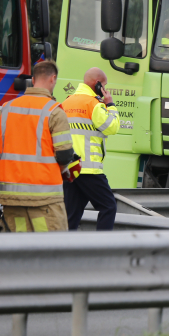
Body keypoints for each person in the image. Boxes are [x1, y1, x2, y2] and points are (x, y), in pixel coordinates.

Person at [0, 61, 78, 232]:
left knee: (20, 246)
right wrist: (65, 170)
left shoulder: (6, 109)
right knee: (50, 246)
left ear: (33, 80)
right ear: (53, 78)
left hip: (12, 197)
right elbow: (64, 154)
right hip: (45, 199)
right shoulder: (55, 111)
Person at [61, 67, 120, 230]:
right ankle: (101, 245)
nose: (105, 89)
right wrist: (111, 105)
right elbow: (112, 127)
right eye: (104, 86)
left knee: (71, 215)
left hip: (70, 168)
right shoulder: (94, 104)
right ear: (97, 84)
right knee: (109, 206)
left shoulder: (66, 102)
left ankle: (62, 245)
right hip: (88, 169)